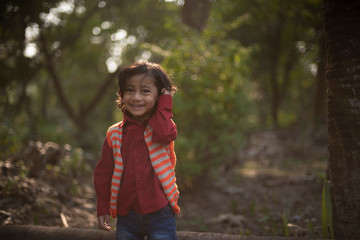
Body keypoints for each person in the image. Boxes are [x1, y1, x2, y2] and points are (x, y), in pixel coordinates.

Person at [94, 61, 180, 240]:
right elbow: (104, 173)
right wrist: (103, 206)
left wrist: (165, 101)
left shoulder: (161, 127)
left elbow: (164, 134)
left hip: (160, 212)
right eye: (130, 90)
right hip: (127, 214)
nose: (136, 97)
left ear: (160, 95)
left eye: (146, 91)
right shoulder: (114, 133)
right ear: (122, 94)